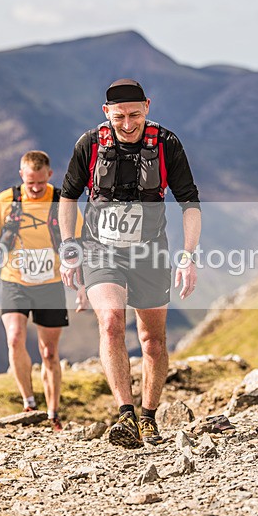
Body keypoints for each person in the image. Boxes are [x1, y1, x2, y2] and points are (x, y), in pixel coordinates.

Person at [57, 79, 201, 448]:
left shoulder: (167, 144)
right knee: (111, 321)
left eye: (135, 114)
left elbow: (190, 203)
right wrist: (70, 247)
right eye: (119, 116)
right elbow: (69, 197)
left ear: (148, 107)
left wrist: (187, 256)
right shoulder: (90, 144)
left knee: (152, 340)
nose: (127, 123)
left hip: (150, 251)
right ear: (106, 112)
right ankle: (126, 415)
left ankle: (150, 417)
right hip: (100, 249)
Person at [0, 150, 87, 432]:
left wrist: (82, 287)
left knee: (49, 352)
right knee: (14, 339)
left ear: (49, 175)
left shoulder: (62, 202)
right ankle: (28, 403)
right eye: (30, 183)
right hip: (14, 280)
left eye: (40, 182)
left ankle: (53, 413)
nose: (35, 188)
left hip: (50, 284)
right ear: (21, 176)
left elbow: (79, 245)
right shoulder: (6, 201)